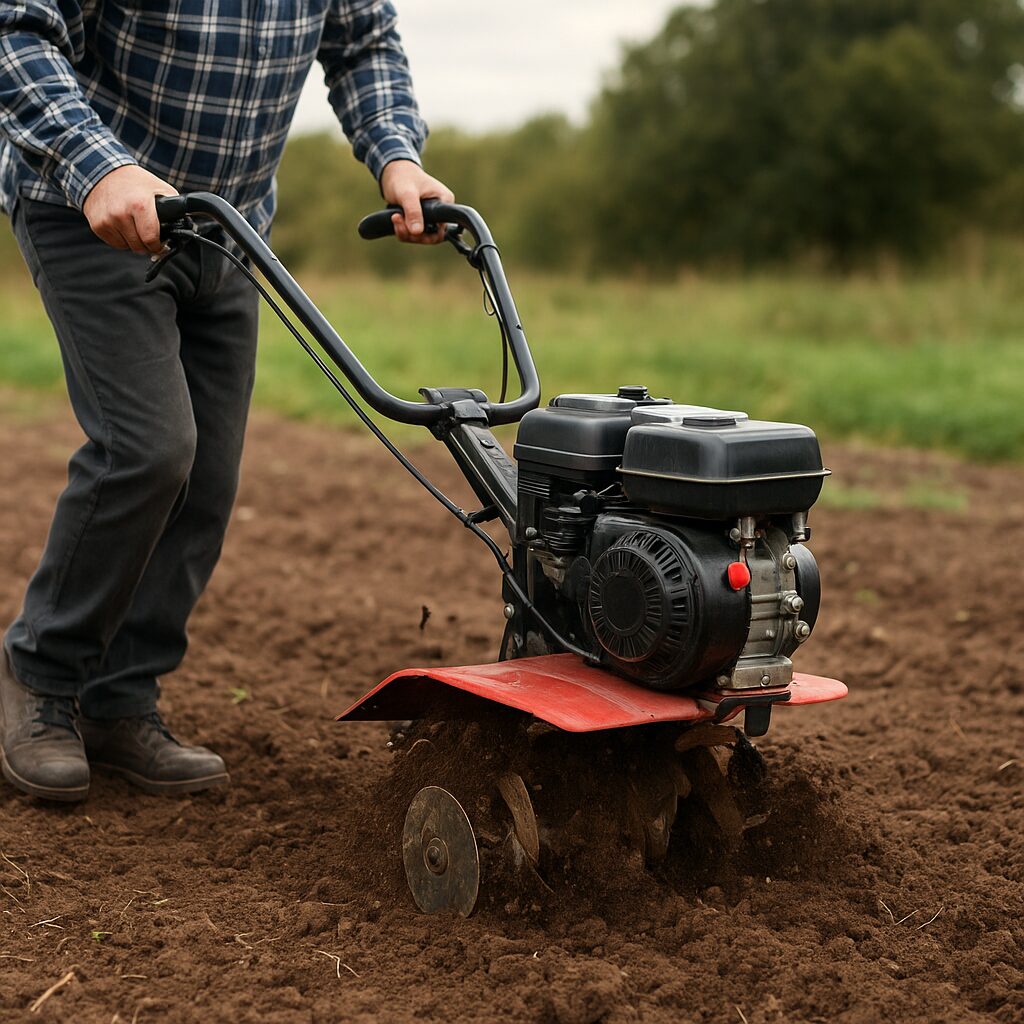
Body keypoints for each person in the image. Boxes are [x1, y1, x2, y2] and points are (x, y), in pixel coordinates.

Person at [0, 0, 452, 802]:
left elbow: (364, 42)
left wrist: (397, 157)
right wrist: (97, 161)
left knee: (206, 476)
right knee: (148, 448)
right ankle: (37, 678)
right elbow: (17, 27)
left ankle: (119, 701)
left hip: (226, 228)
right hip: (91, 209)